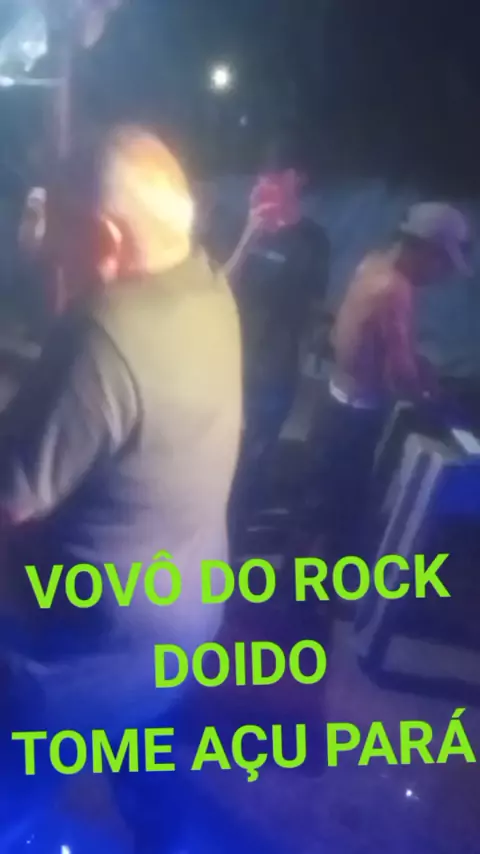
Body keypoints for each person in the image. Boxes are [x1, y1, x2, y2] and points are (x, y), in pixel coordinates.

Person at [0, 125, 242, 847]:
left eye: (60, 243)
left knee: (12, 798)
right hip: (182, 623)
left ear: (107, 236)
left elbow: (11, 497)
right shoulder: (206, 284)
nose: (51, 260)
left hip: (75, 656)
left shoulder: (102, 333)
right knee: (150, 780)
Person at [312, 201, 472, 560]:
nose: (442, 275)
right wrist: (437, 406)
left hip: (334, 399)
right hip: (354, 418)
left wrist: (420, 364)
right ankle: (310, 588)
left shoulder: (371, 264)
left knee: (321, 506)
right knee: (340, 515)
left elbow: (371, 338)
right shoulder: (396, 290)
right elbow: (401, 375)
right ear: (426, 250)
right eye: (443, 263)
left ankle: (302, 576)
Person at [226, 143, 330, 535]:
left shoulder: (313, 240)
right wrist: (249, 236)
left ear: (297, 179)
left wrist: (316, 345)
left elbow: (314, 306)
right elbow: (220, 288)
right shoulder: (241, 225)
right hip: (229, 358)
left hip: (275, 368)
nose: (263, 180)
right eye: (261, 173)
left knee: (257, 453)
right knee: (218, 450)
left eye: (275, 173)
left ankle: (237, 533)